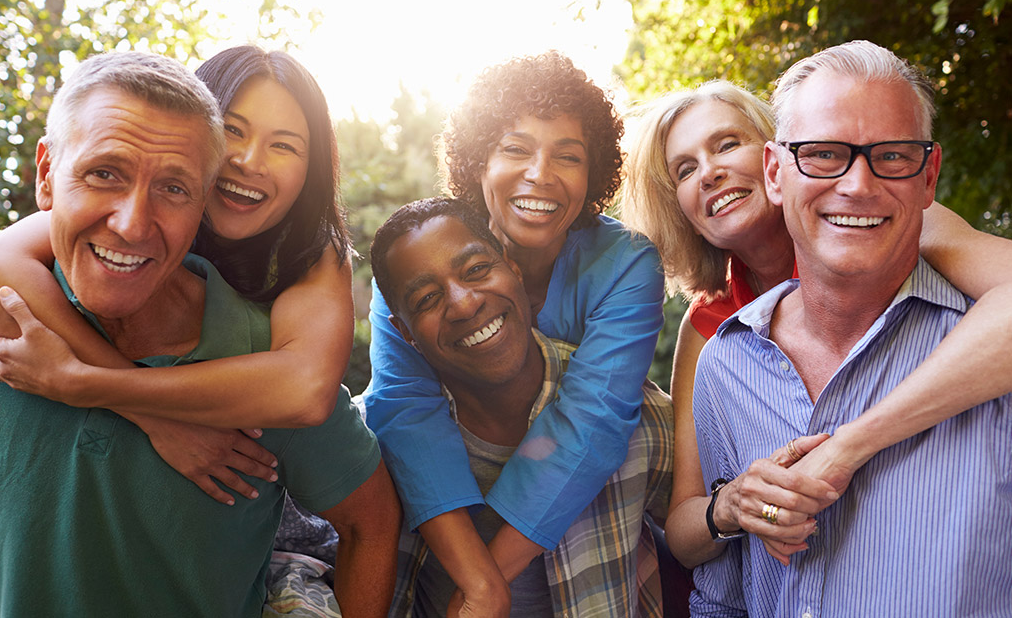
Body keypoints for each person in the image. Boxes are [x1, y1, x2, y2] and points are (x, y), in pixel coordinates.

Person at [0, 51, 400, 617]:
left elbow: (309, 398)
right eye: (233, 132)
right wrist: (149, 413)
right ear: (48, 175)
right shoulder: (23, 306)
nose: (249, 162)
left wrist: (83, 384)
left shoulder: (301, 277)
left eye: (285, 145)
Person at [620, 77, 1012, 568]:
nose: (709, 173)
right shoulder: (709, 330)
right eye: (685, 169)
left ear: (778, 159)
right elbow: (682, 528)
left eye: (726, 144)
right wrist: (734, 503)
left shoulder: (885, 225)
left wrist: (847, 448)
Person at [360, 52, 666, 608]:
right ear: (478, 161)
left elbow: (592, 420)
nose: (540, 174)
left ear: (592, 174)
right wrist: (475, 581)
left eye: (567, 156)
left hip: (578, 532)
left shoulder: (625, 264)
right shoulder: (413, 261)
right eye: (516, 148)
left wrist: (484, 588)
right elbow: (404, 410)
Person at [370, 197, 672, 616]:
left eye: (476, 270)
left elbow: (705, 537)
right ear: (404, 333)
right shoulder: (371, 447)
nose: (463, 303)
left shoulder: (639, 419)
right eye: (426, 299)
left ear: (513, 268)